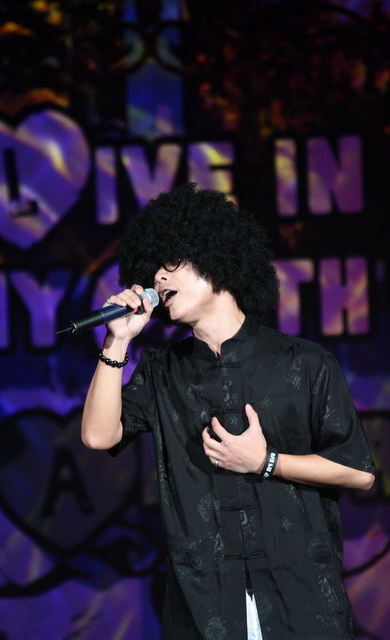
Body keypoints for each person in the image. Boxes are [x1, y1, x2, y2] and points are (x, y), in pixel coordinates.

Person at [81, 183, 376, 640]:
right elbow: (99, 436)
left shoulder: (303, 363)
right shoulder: (163, 371)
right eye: (151, 270)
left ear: (216, 257)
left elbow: (358, 472)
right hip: (204, 609)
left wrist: (265, 462)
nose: (157, 279)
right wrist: (116, 341)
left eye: (169, 263)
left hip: (299, 605)